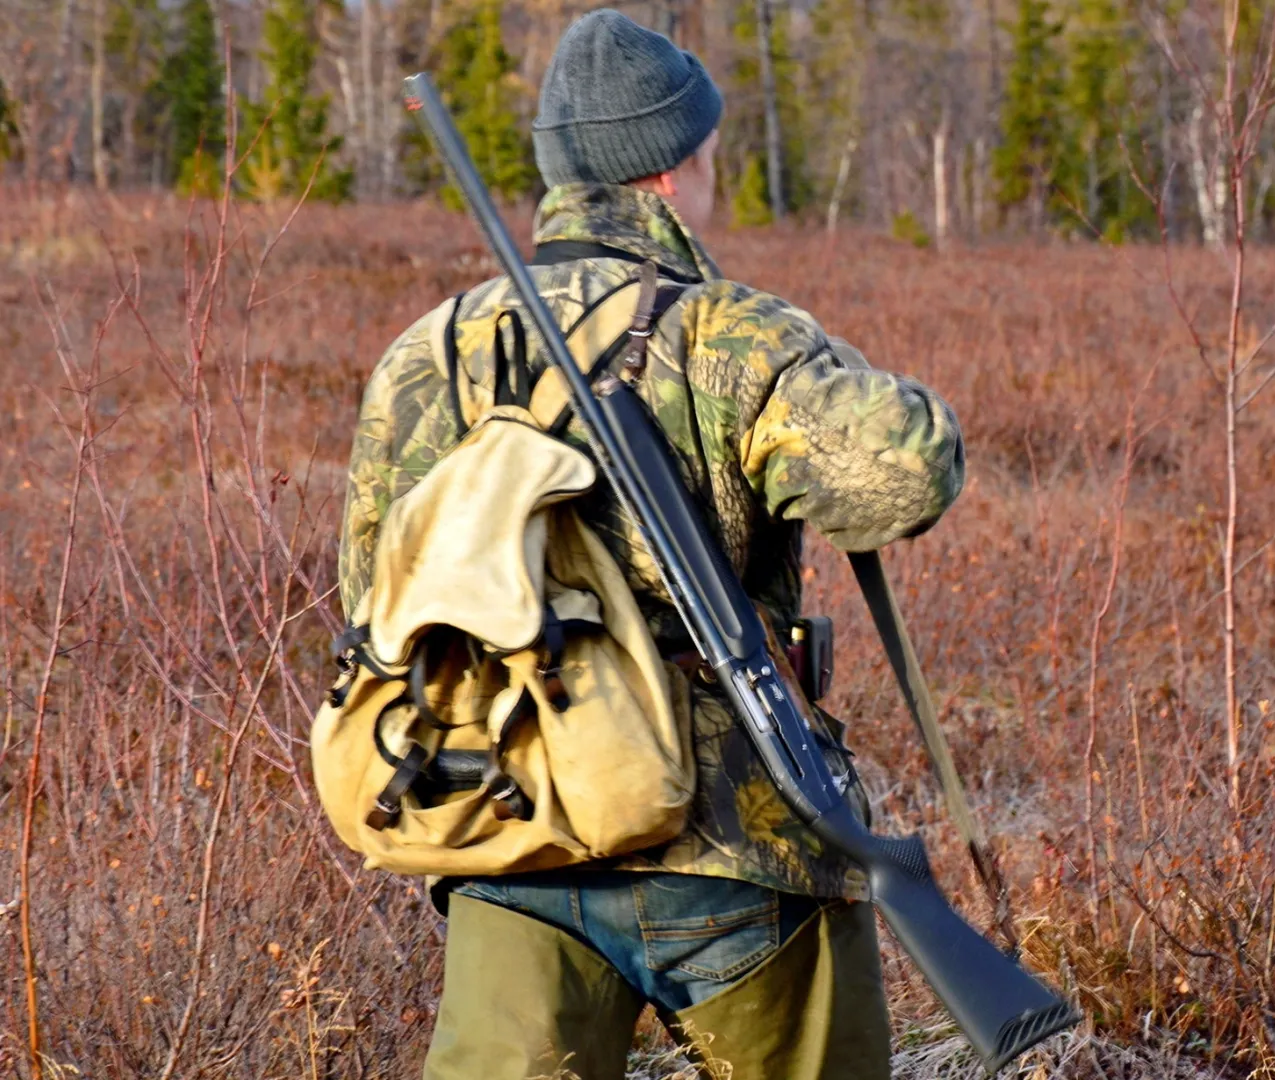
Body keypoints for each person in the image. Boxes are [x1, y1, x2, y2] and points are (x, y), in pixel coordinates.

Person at [338, 10, 966, 1079]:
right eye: (707, 150)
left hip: (507, 825)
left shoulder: (424, 355)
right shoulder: (733, 333)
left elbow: (374, 595)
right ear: (671, 170)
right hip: (732, 845)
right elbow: (902, 476)